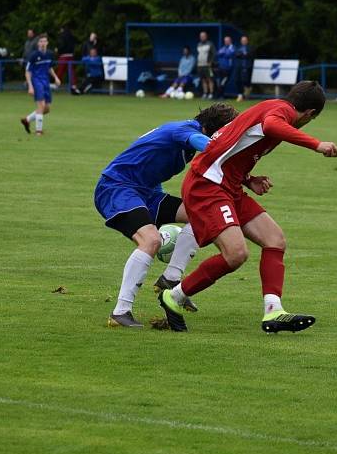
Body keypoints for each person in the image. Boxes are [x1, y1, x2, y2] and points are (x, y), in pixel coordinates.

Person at [156, 81, 337, 333]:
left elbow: (230, 147)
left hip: (227, 185)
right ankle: (174, 295)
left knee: (275, 240)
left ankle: (273, 310)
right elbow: (272, 126)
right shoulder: (281, 112)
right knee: (236, 254)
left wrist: (248, 179)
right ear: (310, 114)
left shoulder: (269, 107)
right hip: (207, 185)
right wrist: (316, 144)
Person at [95, 103, 239, 328]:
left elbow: (151, 167)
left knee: (199, 216)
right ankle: (120, 312)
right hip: (117, 188)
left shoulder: (185, 134)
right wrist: (228, 146)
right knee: (150, 240)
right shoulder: (184, 130)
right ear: (216, 129)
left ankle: (170, 278)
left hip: (147, 194)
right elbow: (207, 146)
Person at [20, 34, 60, 135]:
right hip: (36, 81)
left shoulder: (49, 54)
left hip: (45, 81)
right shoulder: (33, 55)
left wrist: (55, 77)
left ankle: (27, 120)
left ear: (47, 43)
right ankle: (39, 131)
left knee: (46, 109)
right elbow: (28, 71)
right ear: (38, 43)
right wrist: (30, 86)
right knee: (41, 105)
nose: (42, 43)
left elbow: (49, 67)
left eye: (44, 41)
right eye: (41, 41)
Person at [54, 24, 77, 91]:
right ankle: (74, 85)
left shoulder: (62, 36)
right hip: (71, 55)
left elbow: (62, 45)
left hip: (63, 56)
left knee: (60, 70)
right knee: (72, 71)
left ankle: (57, 84)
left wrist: (58, 49)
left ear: (62, 29)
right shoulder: (72, 36)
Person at [234, 35, 254, 102]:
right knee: (237, 80)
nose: (243, 41)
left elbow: (249, 55)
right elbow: (237, 54)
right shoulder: (238, 47)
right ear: (241, 41)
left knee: (245, 81)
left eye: (245, 40)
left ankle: (245, 95)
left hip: (247, 67)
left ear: (247, 41)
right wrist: (243, 55)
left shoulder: (250, 48)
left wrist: (242, 55)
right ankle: (240, 95)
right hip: (239, 67)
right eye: (242, 40)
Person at [196, 31, 215, 99]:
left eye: (203, 36)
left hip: (207, 66)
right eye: (201, 36)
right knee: (203, 80)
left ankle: (211, 93)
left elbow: (213, 54)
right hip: (200, 65)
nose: (202, 37)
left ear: (206, 36)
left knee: (209, 79)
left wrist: (210, 62)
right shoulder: (199, 44)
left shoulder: (210, 44)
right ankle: (205, 93)